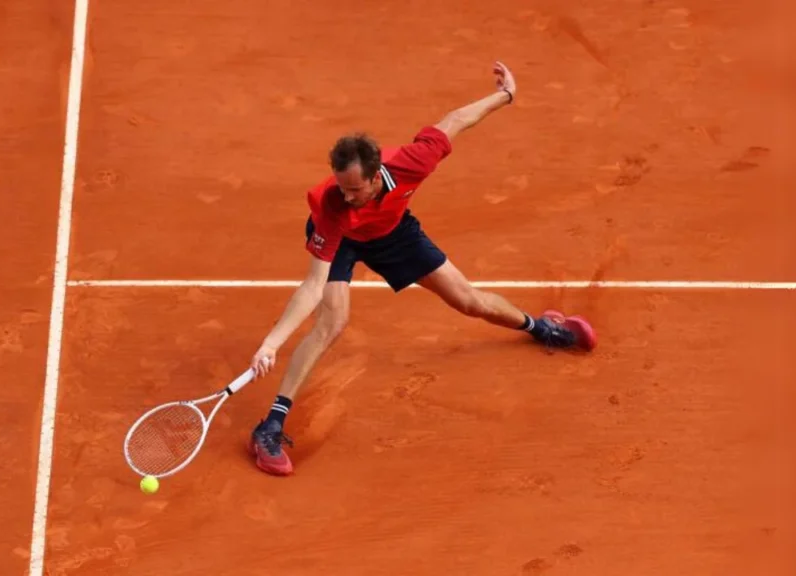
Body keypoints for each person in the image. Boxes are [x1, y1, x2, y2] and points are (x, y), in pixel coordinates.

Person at [245, 61, 597, 476]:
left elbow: (456, 120)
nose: (346, 194)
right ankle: (270, 425)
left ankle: (542, 327)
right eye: (341, 185)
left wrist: (505, 95)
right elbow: (312, 284)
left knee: (469, 301)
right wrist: (271, 342)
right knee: (332, 321)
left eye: (354, 188)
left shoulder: (413, 161)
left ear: (377, 177)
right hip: (345, 240)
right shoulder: (333, 204)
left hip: (394, 234)